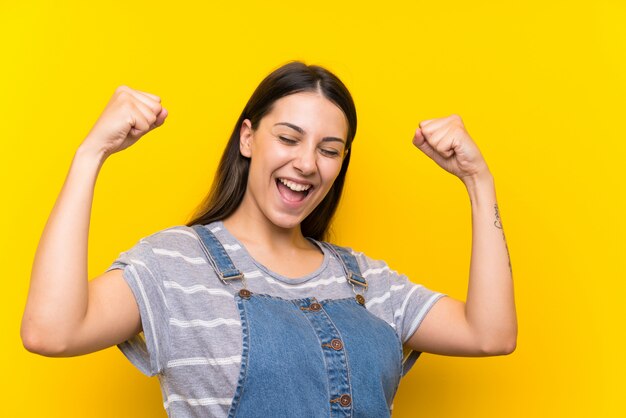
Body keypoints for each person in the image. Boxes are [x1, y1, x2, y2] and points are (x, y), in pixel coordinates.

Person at [21, 60, 517, 417]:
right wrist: (91, 155)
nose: (306, 163)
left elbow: (490, 334)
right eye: (288, 138)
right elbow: (51, 332)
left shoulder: (366, 280)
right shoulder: (174, 265)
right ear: (248, 138)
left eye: (329, 149)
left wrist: (478, 180)